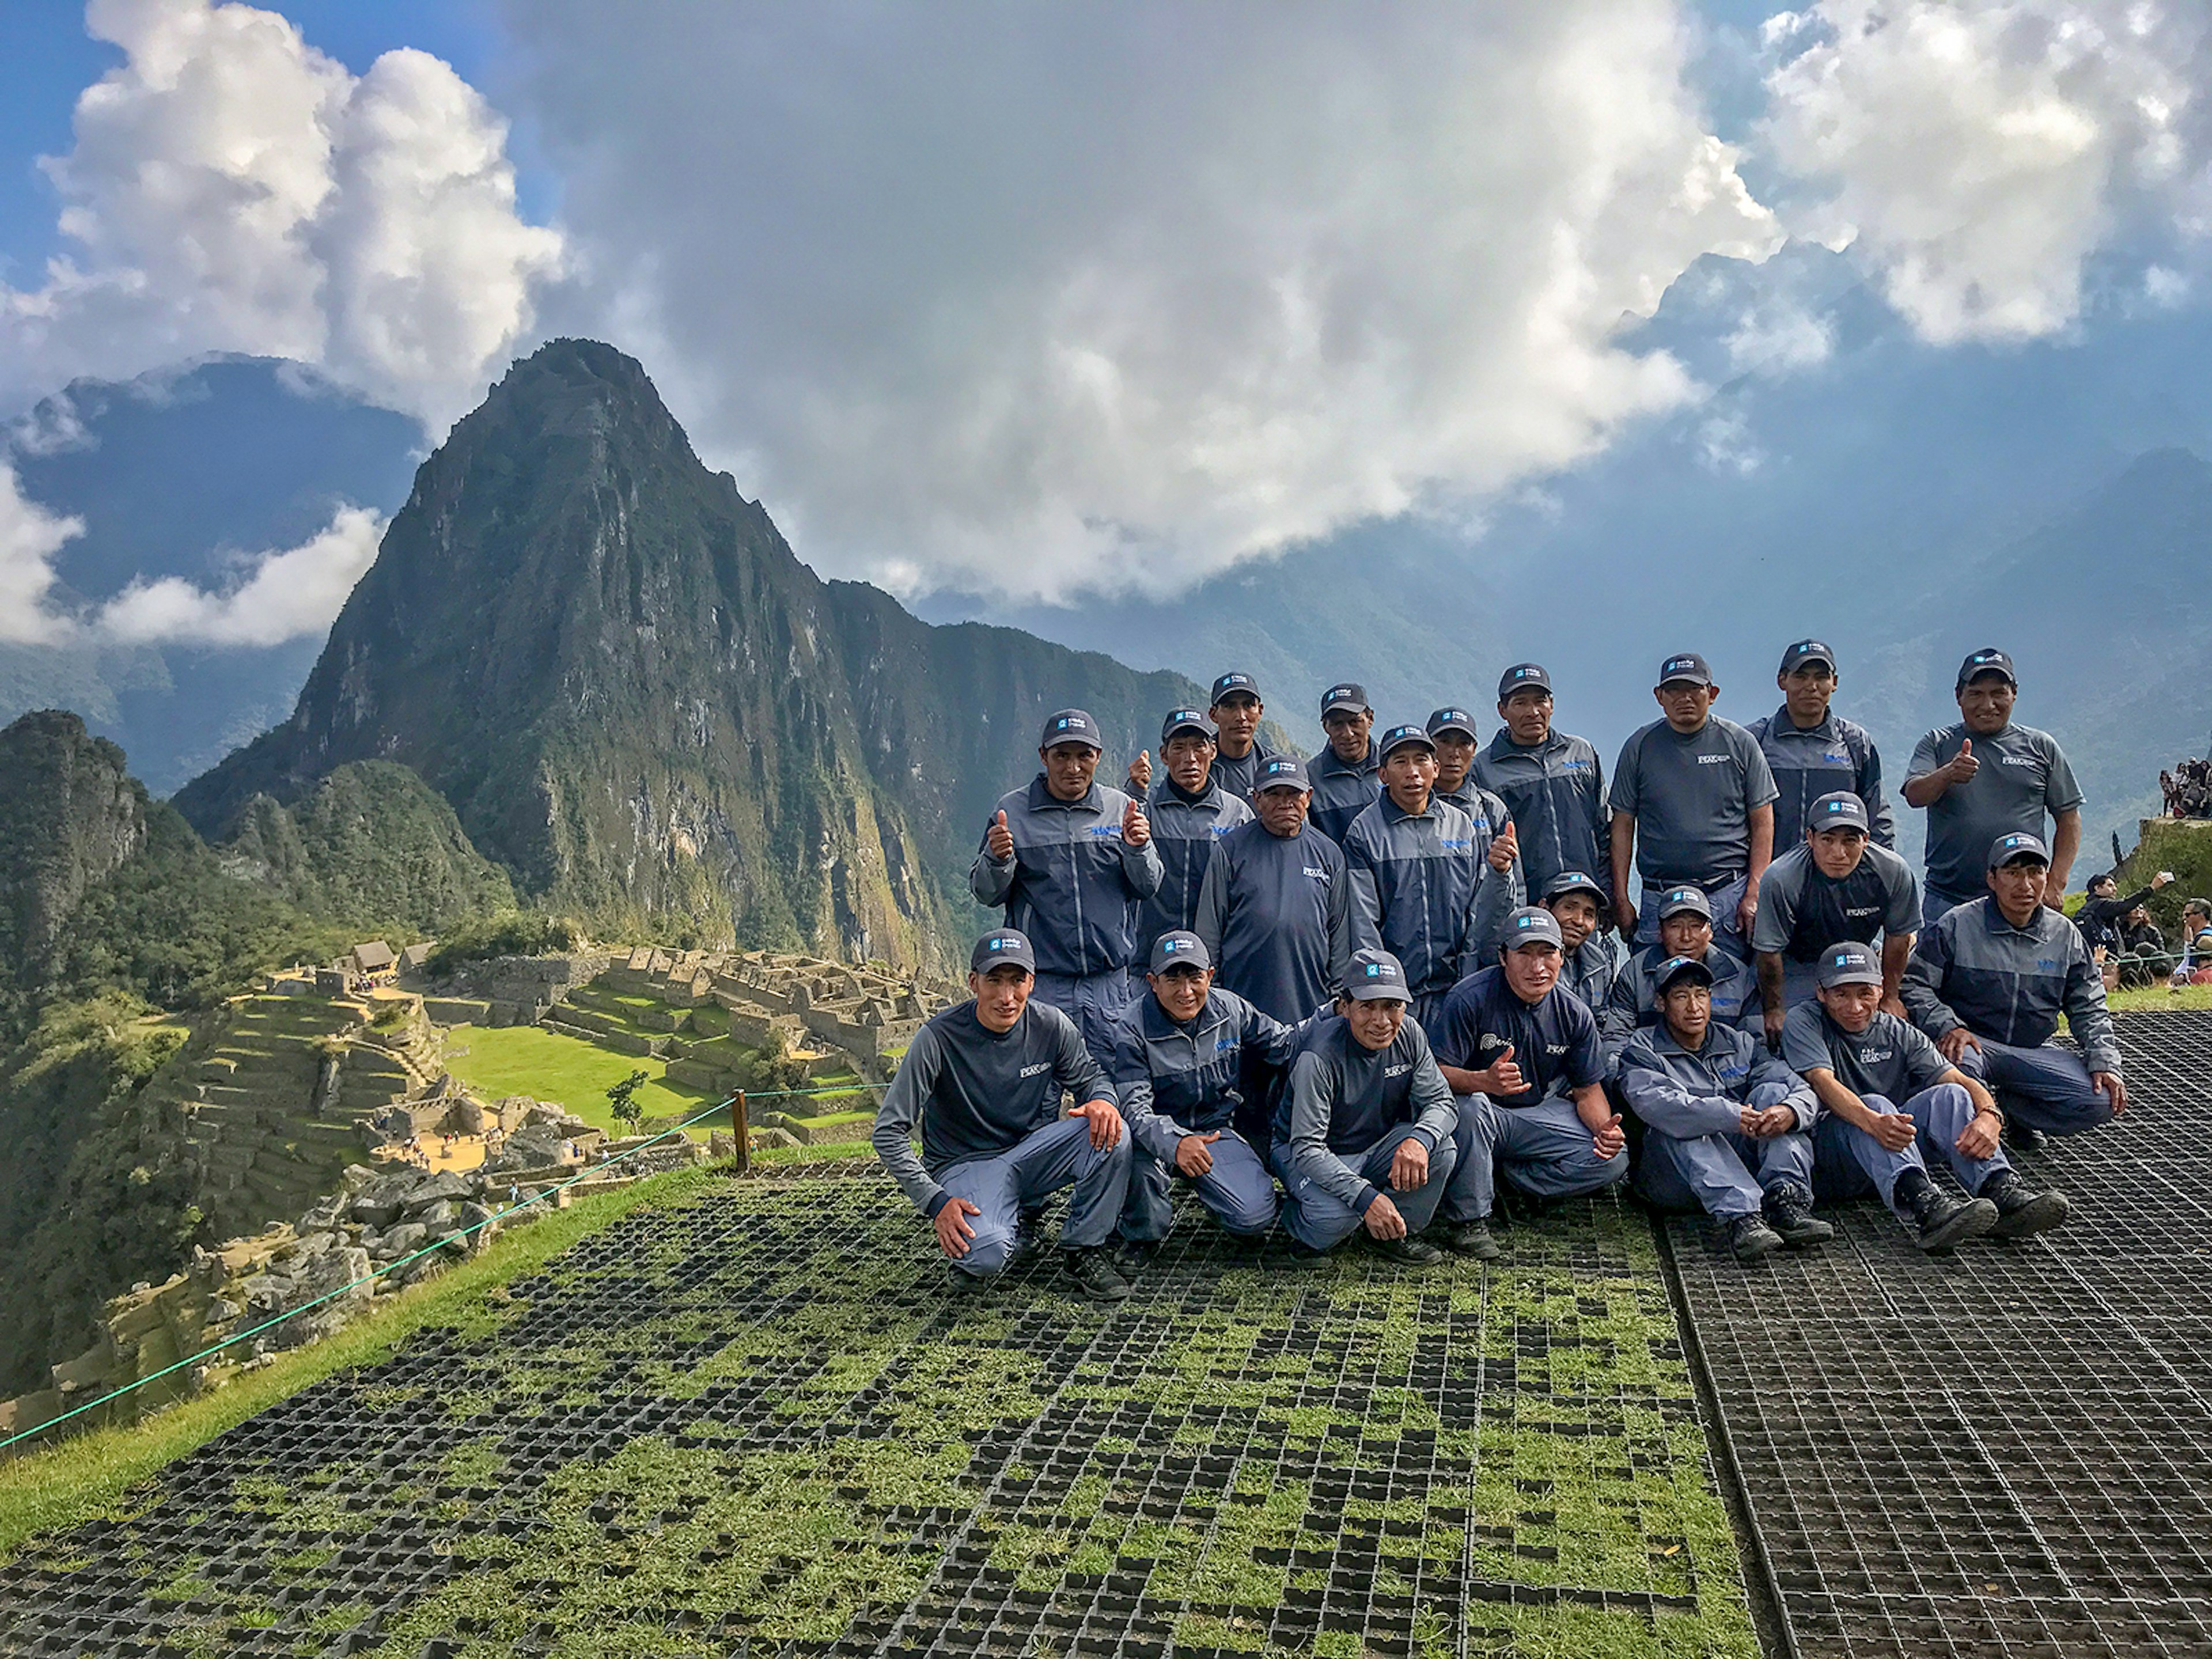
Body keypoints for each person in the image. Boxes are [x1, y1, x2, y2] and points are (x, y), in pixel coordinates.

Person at [872, 930, 1135, 1302]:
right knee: (987, 1254)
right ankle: (1005, 1227)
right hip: (967, 1163)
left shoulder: (1050, 1025)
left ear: (1032, 981)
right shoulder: (938, 1038)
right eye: (994, 981)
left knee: (1114, 1132)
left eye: (1017, 981)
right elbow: (888, 1132)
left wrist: (1103, 1100)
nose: (1006, 997)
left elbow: (1091, 1077)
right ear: (973, 982)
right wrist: (935, 1202)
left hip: (1031, 1152)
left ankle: (1083, 1250)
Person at [1789, 943, 2068, 1247]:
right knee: (1877, 1105)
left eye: (1864, 993)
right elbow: (1822, 1081)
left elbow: (1959, 1079)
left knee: (1951, 1095)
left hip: (1890, 1147)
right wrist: (1874, 1122)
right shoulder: (1805, 1022)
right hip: (1834, 1155)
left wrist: (1990, 1116)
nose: (1855, 1007)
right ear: (1821, 994)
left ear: (1881, 990)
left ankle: (2000, 1189)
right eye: (1841, 995)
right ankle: (1926, 1206)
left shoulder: (1897, 1030)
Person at [1903, 832, 2124, 1150]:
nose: (2026, 885)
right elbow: (1914, 983)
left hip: (2033, 1049)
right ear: (1992, 879)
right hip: (1972, 1044)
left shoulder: (2065, 936)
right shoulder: (1956, 926)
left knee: (2100, 1101)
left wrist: (2104, 1060)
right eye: (2013, 873)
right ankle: (1971, 1143)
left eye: (2035, 873)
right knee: (1959, 1068)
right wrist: (1948, 1025)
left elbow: (2089, 1005)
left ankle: (2014, 1111)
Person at [972, 707, 1163, 1068]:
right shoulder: (1012, 812)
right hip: (1044, 985)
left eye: (1083, 756)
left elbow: (1149, 884)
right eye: (1062, 756)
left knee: (1113, 1093)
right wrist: (997, 860)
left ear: (1099, 757)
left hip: (1109, 986)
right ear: (1044, 756)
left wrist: (1138, 849)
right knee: (1039, 1092)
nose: (1072, 768)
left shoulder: (1120, 809)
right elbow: (986, 893)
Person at [1617, 955, 1831, 1263]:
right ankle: (1742, 1218)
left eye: (1701, 995)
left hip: (1736, 1162)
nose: (1694, 1007)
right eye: (1681, 996)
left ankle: (1786, 1201)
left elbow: (1799, 1088)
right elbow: (1654, 1103)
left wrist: (1790, 1111)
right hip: (1673, 1179)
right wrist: (1730, 1115)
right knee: (1683, 1124)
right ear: (1661, 1003)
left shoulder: (1740, 1042)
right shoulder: (1642, 1048)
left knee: (1775, 1098)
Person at [1433, 907, 1627, 1240]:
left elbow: (1587, 1090)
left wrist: (1603, 1131)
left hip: (1536, 1116)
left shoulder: (1574, 1012)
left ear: (1562, 958)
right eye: (1524, 954)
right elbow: (1433, 1074)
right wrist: (1483, 1081)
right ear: (1503, 956)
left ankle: (1510, 1181)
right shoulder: (1469, 998)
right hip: (1480, 1115)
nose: (1537, 968)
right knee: (1469, 1107)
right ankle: (1469, 1221)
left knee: (1614, 1159)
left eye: (1547, 954)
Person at [1110, 932, 1297, 1259]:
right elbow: (1134, 1108)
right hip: (1153, 1139)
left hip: (1214, 1131)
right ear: (1153, 982)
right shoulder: (1132, 1027)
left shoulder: (1231, 1008)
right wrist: (1177, 1143)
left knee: (1253, 1216)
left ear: (1210, 976)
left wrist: (1333, 1018)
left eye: (1195, 977)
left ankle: (1217, 1196)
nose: (1186, 992)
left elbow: (1286, 1043)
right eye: (1172, 979)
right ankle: (1140, 1233)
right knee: (1133, 1163)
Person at [1271, 949, 1460, 1264]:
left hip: (1373, 1142)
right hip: (1308, 1153)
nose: (1381, 1021)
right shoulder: (1318, 1056)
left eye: (1392, 1007)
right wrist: (1366, 1198)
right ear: (1345, 1007)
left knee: (1441, 1150)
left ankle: (1395, 1234)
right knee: (1337, 1217)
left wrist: (1419, 1140)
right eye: (1367, 1007)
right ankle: (1292, 1220)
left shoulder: (1410, 1033)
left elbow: (1442, 1101)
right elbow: (1306, 1147)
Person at [1342, 724, 1518, 1028]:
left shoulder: (1462, 827)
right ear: (1383, 774)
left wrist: (1500, 873)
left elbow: (1480, 911)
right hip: (1398, 995)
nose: (1413, 772)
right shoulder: (1364, 832)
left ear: (1435, 769)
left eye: (1421, 761)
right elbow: (1362, 923)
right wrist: (1384, 991)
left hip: (1458, 989)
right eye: (1400, 762)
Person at [1608, 652, 1778, 959]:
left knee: (1730, 985)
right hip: (1659, 894)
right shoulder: (1640, 746)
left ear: (1712, 694)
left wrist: (1755, 890)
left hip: (1726, 893)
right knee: (1654, 990)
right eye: (1674, 690)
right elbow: (1622, 824)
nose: (1684, 698)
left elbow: (1763, 820)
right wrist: (1621, 896)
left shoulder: (1739, 743)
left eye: (1693, 689)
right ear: (1659, 696)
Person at [1903, 649, 2084, 926]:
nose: (1988, 705)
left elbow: (2069, 817)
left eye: (1998, 693)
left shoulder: (2041, 747)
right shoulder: (1937, 743)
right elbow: (1915, 795)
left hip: (2021, 899)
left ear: (2014, 693)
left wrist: (2056, 882)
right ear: (1958, 697)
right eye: (1976, 694)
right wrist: (1948, 774)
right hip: (1949, 898)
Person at [1194, 755, 1353, 1022]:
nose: (1284, 803)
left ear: (1309, 796)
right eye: (1274, 794)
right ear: (1256, 799)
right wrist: (1214, 998)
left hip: (1312, 1009)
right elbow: (1210, 929)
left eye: (1293, 793)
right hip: (1240, 1009)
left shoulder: (1329, 854)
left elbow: (1339, 937)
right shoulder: (1230, 850)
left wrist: (1336, 1002)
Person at [1751, 791, 1922, 1039]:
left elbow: (1899, 936)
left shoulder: (1892, 871)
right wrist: (1774, 1009)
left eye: (1850, 841)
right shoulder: (1782, 878)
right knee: (1794, 1029)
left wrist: (1890, 997)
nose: (1838, 853)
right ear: (1810, 838)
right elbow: (1769, 953)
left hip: (1860, 957)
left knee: (1885, 1024)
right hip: (1799, 962)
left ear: (1866, 839)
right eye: (1828, 840)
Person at [1130, 709, 1251, 986]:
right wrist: (1134, 793)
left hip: (1213, 968)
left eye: (1199, 747)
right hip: (1148, 964)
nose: (1190, 759)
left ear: (1213, 751)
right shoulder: (1145, 810)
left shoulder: (1237, 815)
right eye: (1179, 748)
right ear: (1163, 755)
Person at [1472, 663, 1609, 906]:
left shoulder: (1580, 753)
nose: (1533, 712)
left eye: (1540, 701)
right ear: (1502, 710)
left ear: (1552, 705)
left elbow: (1604, 827)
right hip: (1524, 904)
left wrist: (1607, 891)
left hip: (1583, 898)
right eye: (1521, 703)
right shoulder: (1484, 769)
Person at [1744, 639, 1896, 850]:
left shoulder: (1855, 742)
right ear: (1782, 681)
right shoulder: (1754, 741)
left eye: (1821, 678)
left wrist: (1879, 871)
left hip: (1838, 873)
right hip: (1770, 875)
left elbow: (1877, 816)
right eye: (1801, 677)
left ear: (1834, 682)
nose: (1811, 687)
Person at [1603, 885, 1760, 1058]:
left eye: (1695, 926)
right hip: (1653, 1073)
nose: (1686, 937)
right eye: (1675, 926)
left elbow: (1756, 1044)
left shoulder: (1738, 975)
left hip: (1723, 1074)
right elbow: (1616, 1037)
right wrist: (1622, 1077)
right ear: (1660, 932)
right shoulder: (1634, 973)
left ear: (1710, 932)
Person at [1427, 706, 1526, 910]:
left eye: (1464, 744)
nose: (1454, 753)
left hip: (1484, 928)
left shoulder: (1491, 808)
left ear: (1474, 749)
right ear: (1429, 747)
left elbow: (1516, 880)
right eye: (1444, 742)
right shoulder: (1412, 806)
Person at [1540, 870, 1626, 1013]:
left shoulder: (1600, 962)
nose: (1579, 921)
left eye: (1589, 914)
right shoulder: (1528, 959)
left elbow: (1602, 1019)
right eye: (1569, 908)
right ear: (1545, 908)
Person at [1309, 681, 1382, 846]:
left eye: (1354, 722)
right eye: (1337, 724)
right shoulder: (1311, 779)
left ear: (1370, 719)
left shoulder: (1395, 768)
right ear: (1325, 727)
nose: (1347, 734)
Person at [2074, 869, 2176, 958]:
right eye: (2110, 886)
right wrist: (2152, 888)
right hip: (2107, 957)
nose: (2115, 889)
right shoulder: (2101, 905)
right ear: (2098, 888)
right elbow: (2126, 905)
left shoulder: (2088, 909)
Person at [1207, 672, 1275, 803]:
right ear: (1213, 714)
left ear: (1260, 711)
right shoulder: (1199, 766)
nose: (1241, 717)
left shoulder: (1271, 767)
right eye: (1229, 706)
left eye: (1248, 705)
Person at [2115, 906, 2171, 990]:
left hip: (2148, 968)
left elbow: (2161, 952)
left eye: (2141, 908)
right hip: (2127, 966)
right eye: (2134, 907)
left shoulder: (2152, 931)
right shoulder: (2119, 930)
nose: (2138, 910)